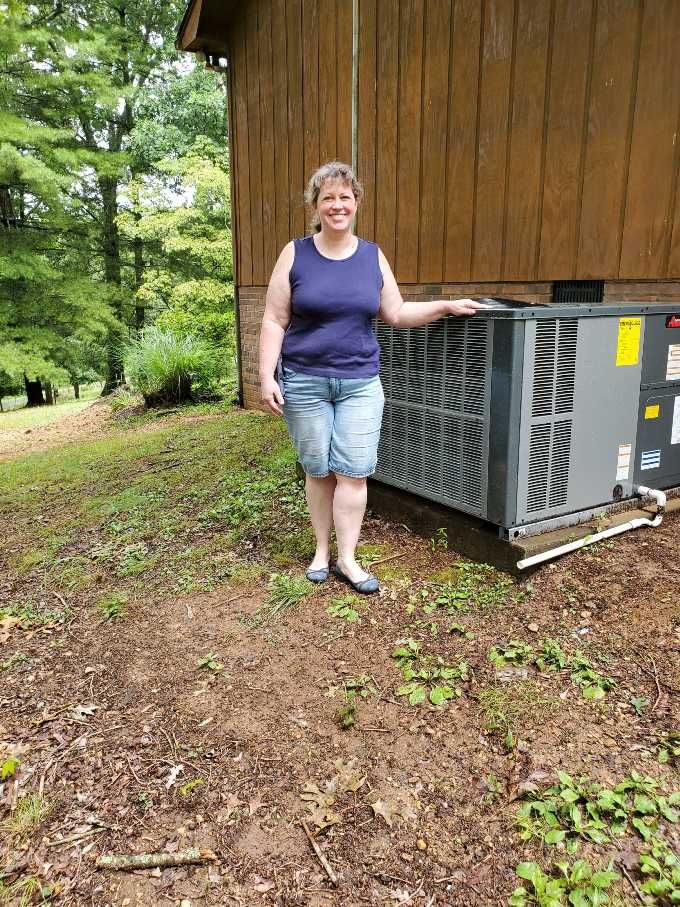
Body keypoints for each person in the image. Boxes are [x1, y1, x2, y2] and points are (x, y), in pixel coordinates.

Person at [259, 161, 486, 594]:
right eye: (328, 197)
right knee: (318, 470)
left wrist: (444, 305)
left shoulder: (371, 256)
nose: (337, 205)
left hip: (360, 382)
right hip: (305, 379)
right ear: (315, 205)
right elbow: (274, 319)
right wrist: (266, 375)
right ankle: (321, 551)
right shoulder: (296, 253)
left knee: (355, 472)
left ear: (357, 202)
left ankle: (347, 558)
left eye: (345, 197)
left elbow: (396, 312)